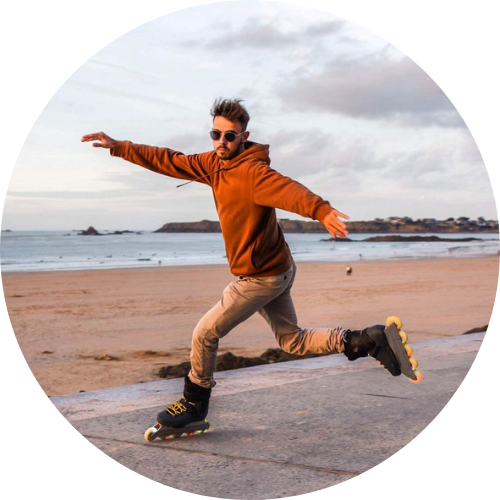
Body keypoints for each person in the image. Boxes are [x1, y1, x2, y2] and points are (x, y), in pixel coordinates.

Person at [82, 98, 404, 431]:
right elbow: (169, 160)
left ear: (243, 136)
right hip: (278, 268)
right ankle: (364, 340)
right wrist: (119, 146)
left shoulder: (253, 172)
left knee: (204, 333)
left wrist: (320, 210)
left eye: (230, 136)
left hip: (261, 277)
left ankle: (194, 405)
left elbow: (287, 189)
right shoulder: (211, 163)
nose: (222, 142)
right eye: (216, 134)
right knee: (292, 340)